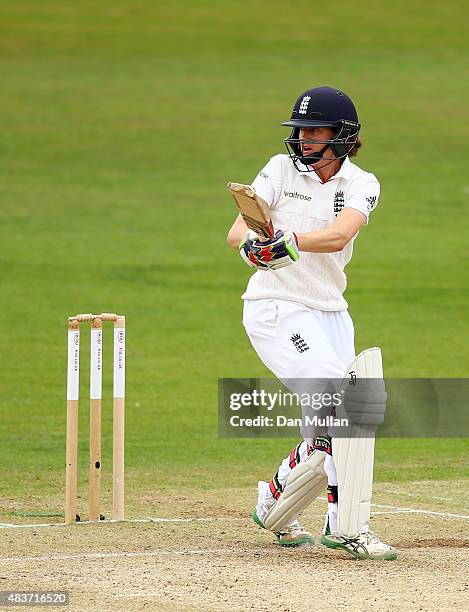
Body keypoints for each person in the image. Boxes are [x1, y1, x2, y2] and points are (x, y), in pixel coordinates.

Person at [227, 86, 397, 560]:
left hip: (331, 311)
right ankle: (346, 526)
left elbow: (342, 233)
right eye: (300, 131)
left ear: (343, 136)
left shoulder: (362, 183)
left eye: (315, 131)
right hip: (276, 305)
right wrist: (251, 247)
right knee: (343, 405)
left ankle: (274, 500)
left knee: (329, 428)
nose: (303, 140)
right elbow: (239, 227)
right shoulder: (279, 170)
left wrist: (289, 241)